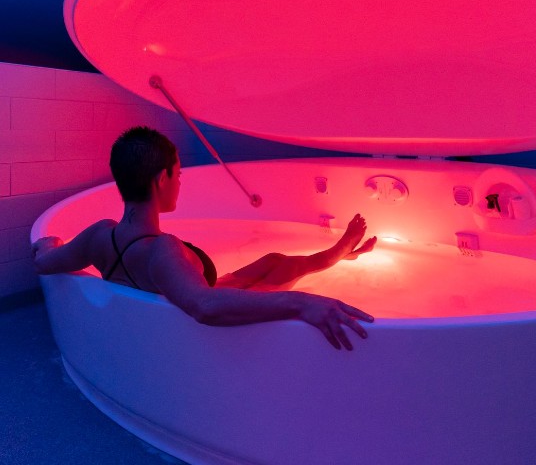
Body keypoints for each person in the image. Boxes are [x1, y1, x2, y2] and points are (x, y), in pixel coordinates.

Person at [32, 126, 376, 350]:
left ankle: (338, 253)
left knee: (274, 260)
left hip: (194, 286)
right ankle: (336, 254)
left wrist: (49, 243)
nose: (180, 182)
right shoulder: (161, 250)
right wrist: (303, 303)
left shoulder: (98, 235)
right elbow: (205, 306)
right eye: (178, 174)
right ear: (161, 178)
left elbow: (44, 262)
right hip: (217, 306)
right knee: (283, 270)